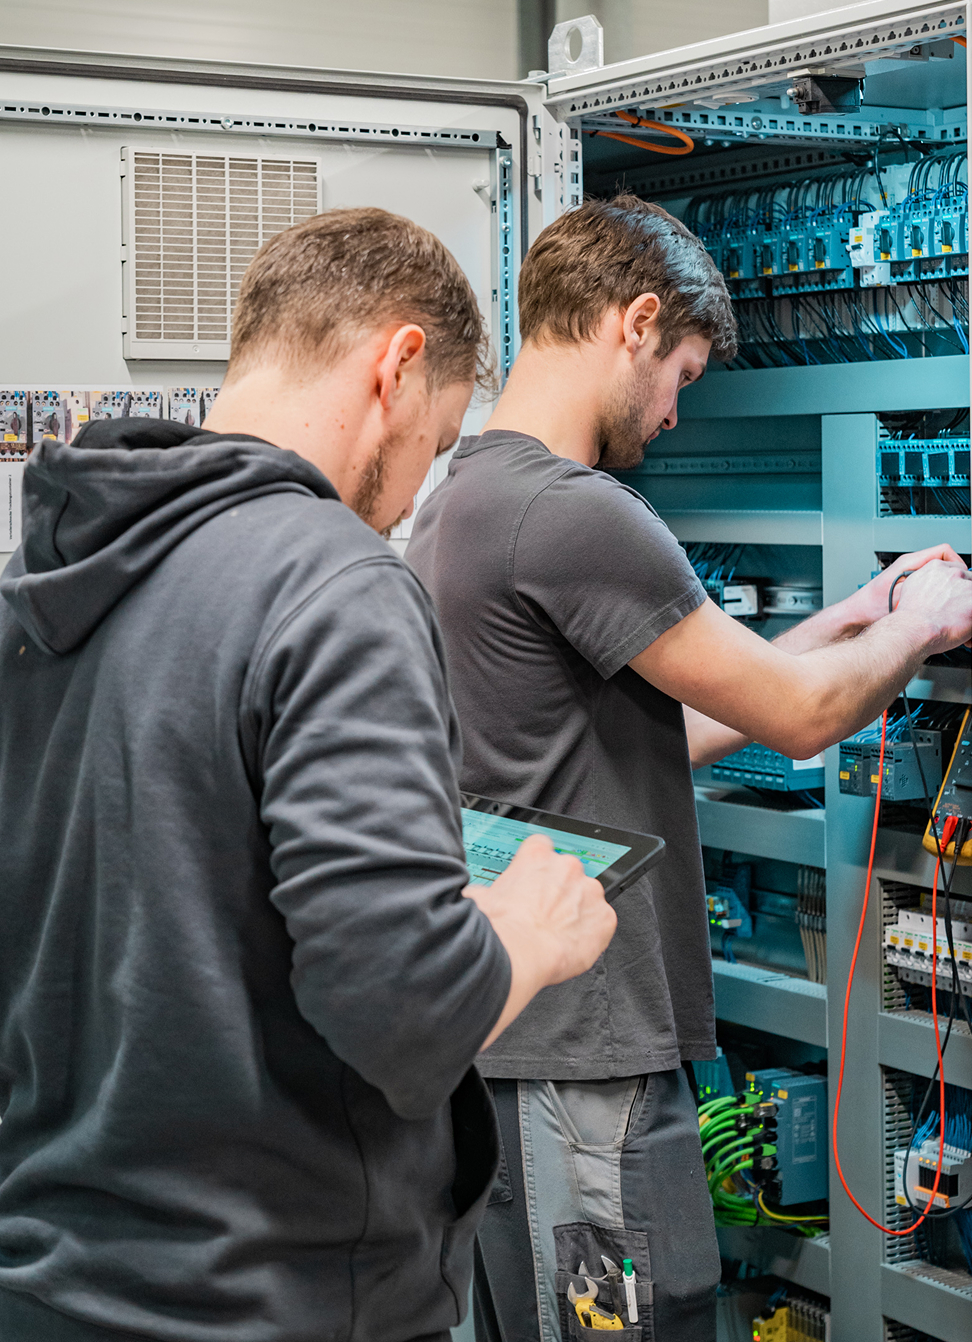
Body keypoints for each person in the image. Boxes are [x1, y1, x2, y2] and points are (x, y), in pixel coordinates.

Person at [0, 206, 616, 1342]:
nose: (414, 495)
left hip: (51, 1278)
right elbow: (402, 1005)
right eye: (435, 442)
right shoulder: (335, 583)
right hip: (271, 1291)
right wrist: (530, 932)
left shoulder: (41, 578)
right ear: (398, 363)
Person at [406, 193, 972, 1342]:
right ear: (636, 320)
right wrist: (927, 625)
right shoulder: (573, 513)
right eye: (683, 375)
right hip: (586, 1061)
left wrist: (861, 609)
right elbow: (802, 719)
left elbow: (683, 725)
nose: (673, 413)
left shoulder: (467, 496)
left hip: (535, 1048)